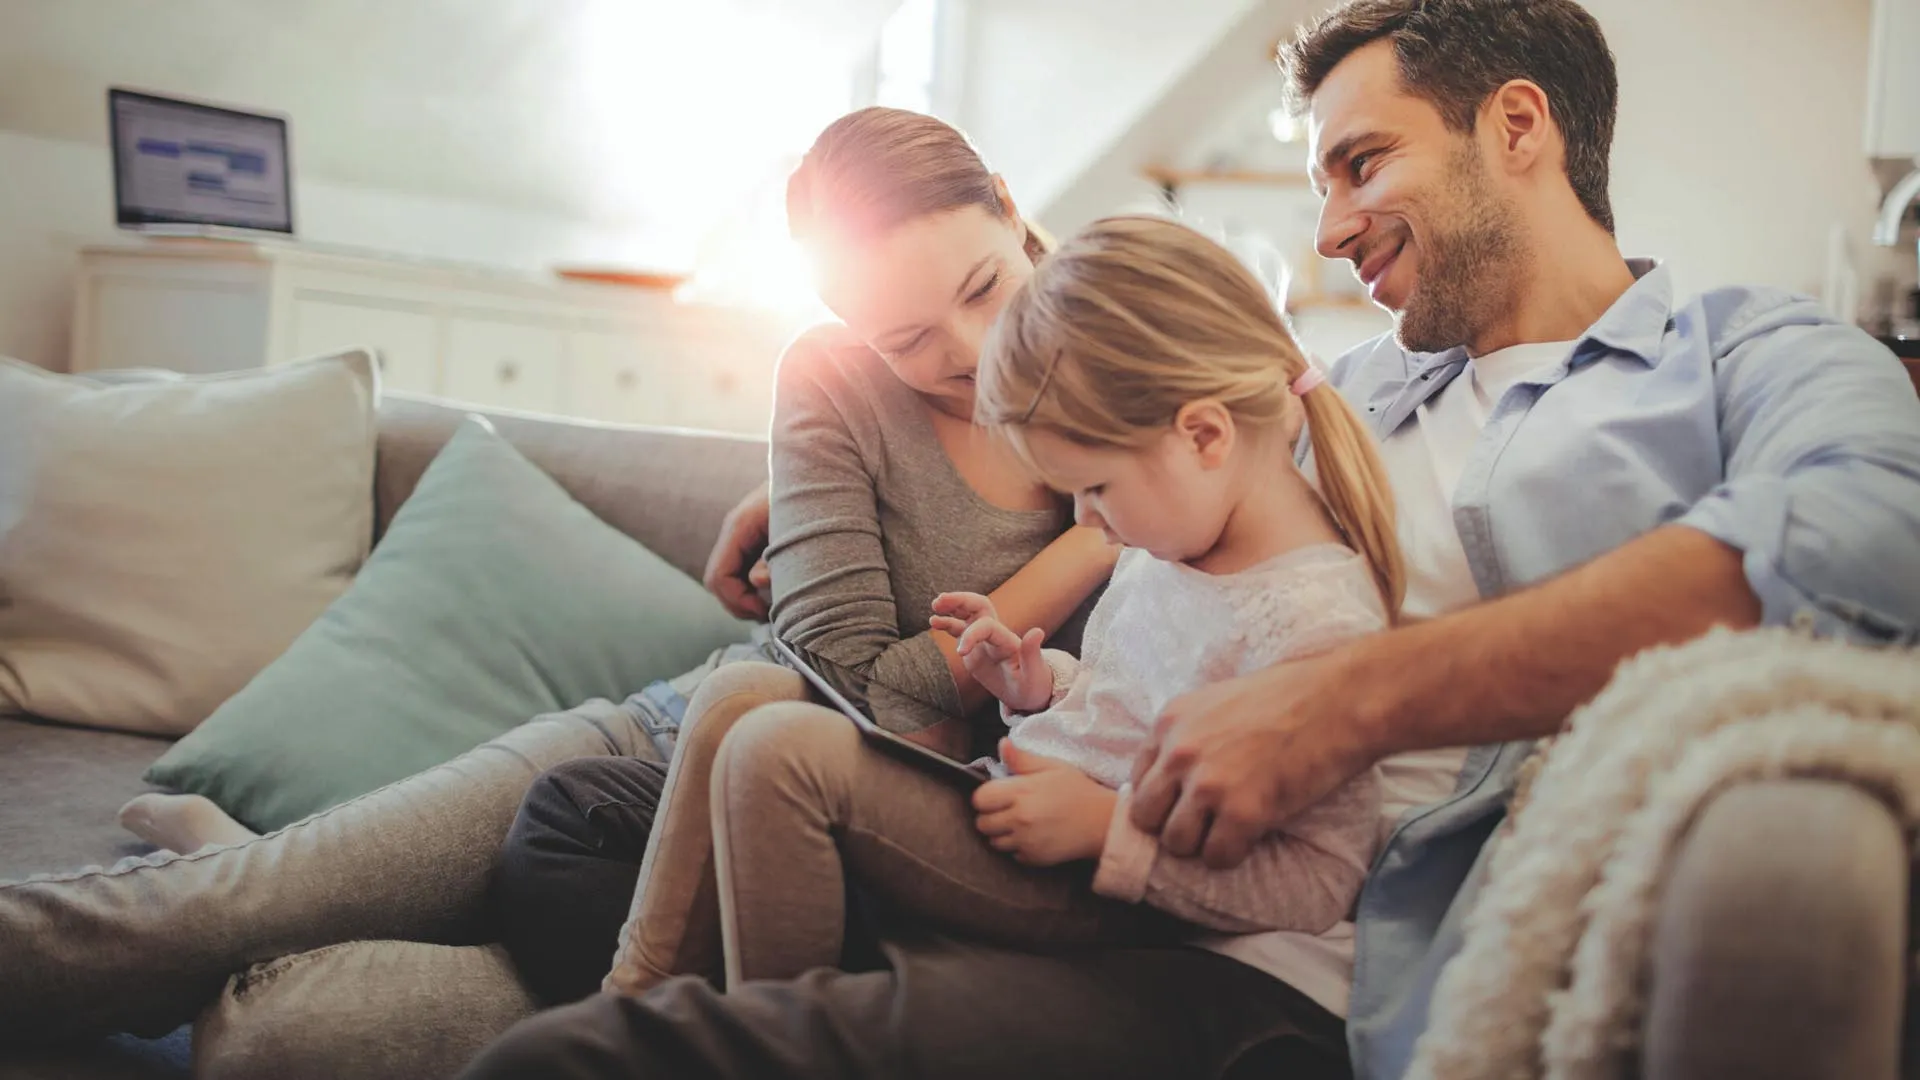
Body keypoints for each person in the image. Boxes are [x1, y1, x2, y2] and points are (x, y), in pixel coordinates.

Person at [459, 1, 1920, 1078]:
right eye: (1321, 188)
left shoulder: (1744, 358)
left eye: (1361, 165)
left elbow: (1863, 541)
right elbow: (1128, 475)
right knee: (577, 832)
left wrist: (1345, 701)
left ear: (1519, 127)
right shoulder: (1343, 392)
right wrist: (821, 470)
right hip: (1088, 786)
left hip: (1274, 946)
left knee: (584, 1052)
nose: (1334, 229)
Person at [0, 107, 1114, 1077]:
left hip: (827, 876)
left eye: (983, 288)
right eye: (908, 338)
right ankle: (262, 871)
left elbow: (925, 726)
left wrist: (1090, 542)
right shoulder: (836, 378)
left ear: (1012, 210)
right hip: (653, 756)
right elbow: (859, 690)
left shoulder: (1136, 379)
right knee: (222, 912)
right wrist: (1077, 553)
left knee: (285, 1043)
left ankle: (273, 867)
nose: (970, 352)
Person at [618, 216, 1398, 1009]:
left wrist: (1109, 830)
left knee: (780, 756)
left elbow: (1319, 879)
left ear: (1202, 435)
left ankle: (750, 1040)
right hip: (1017, 804)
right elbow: (1126, 701)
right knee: (688, 759)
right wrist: (1038, 684)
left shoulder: (1314, 625)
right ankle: (677, 1017)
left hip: (1095, 889)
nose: (1087, 525)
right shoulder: (1167, 546)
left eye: (1095, 488)